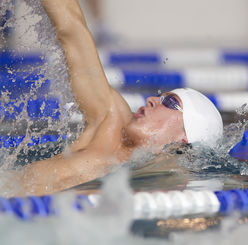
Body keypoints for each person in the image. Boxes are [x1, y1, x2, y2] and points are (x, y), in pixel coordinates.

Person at [10, 0, 223, 196]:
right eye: (160, 97)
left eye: (170, 103)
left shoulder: (168, 183)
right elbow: (71, 29)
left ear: (184, 139)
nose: (151, 99)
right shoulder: (109, 123)